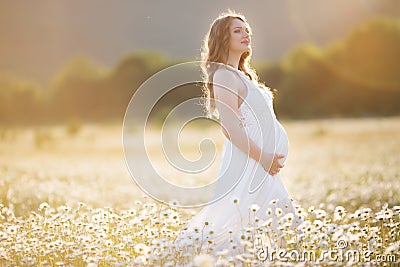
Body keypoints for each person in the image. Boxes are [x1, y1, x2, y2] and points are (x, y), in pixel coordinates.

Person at [176, 10, 300, 256]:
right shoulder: (223, 75)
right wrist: (263, 157)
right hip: (250, 163)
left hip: (263, 165)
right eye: (237, 30)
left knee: (268, 225)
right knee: (275, 223)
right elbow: (230, 128)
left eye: (247, 31)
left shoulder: (244, 76)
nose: (245, 34)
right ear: (223, 38)